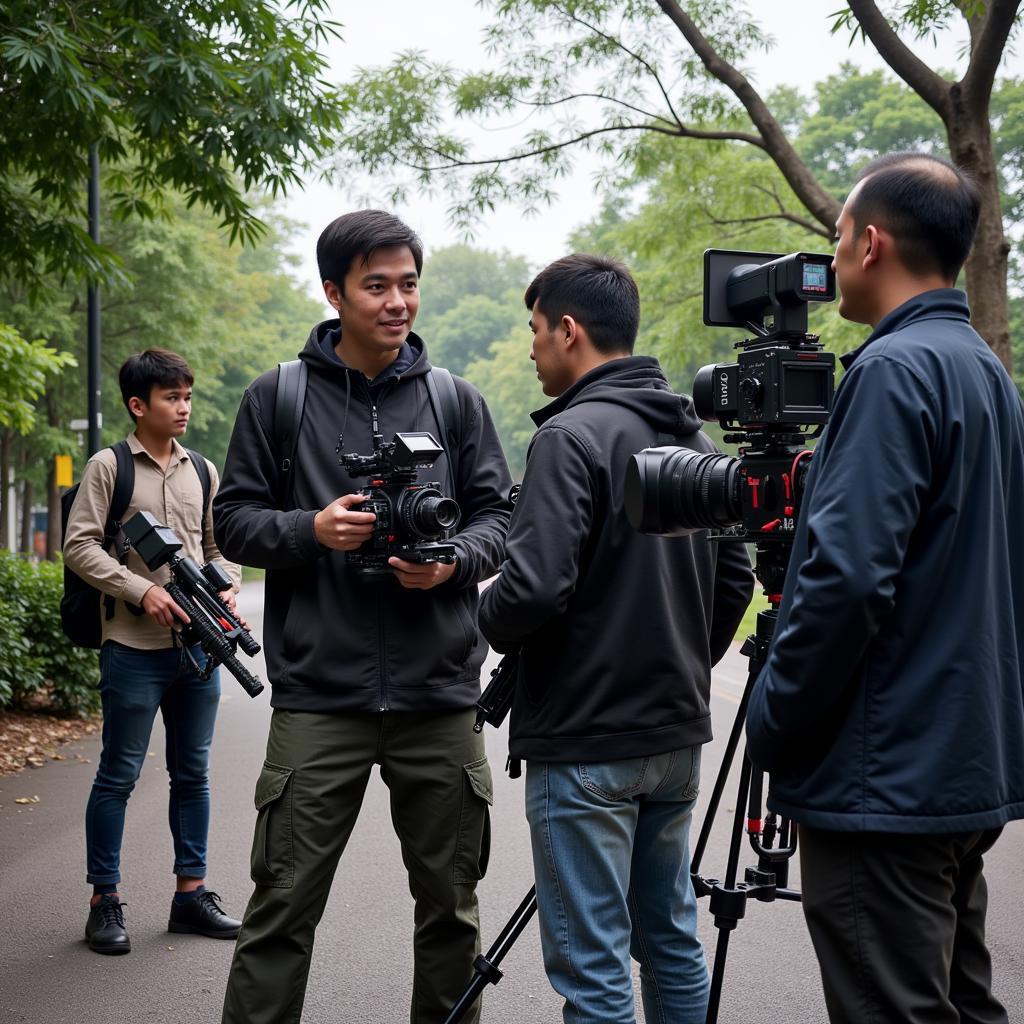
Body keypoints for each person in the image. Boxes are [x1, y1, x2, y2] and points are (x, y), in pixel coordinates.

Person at [214, 209, 513, 1024]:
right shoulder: (279, 398)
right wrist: (309, 531)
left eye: (408, 284)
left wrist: (452, 563)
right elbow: (233, 520)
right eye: (376, 285)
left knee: (451, 915)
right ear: (334, 292)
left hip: (440, 696)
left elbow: (498, 519)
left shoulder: (455, 401)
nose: (396, 302)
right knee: (279, 912)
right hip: (320, 698)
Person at [745, 153, 1024, 1024]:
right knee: (959, 999)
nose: (829, 261)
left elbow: (848, 578)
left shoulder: (892, 370)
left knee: (892, 1008)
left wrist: (773, 714)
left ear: (870, 243)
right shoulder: (984, 371)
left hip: (884, 774)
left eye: (833, 239)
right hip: (957, 761)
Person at [478, 254, 755, 1024]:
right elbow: (735, 580)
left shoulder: (570, 438)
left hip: (587, 739)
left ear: (569, 331)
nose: (533, 347)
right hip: (673, 736)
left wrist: (477, 615)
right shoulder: (694, 442)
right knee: (670, 938)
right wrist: (678, 664)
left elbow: (532, 587)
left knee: (593, 964)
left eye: (536, 331)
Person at [63, 348, 243, 956]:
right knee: (119, 773)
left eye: (187, 396)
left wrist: (227, 588)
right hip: (133, 648)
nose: (184, 407)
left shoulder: (204, 470)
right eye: (172, 397)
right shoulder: (108, 467)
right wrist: (141, 591)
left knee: (193, 774)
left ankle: (191, 894)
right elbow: (80, 547)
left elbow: (219, 547)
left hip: (200, 650)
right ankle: (104, 900)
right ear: (139, 406)